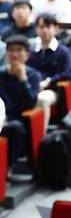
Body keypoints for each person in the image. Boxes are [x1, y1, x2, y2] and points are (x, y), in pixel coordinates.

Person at [27, 14, 71, 127]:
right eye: (41, 27)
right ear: (36, 29)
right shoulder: (31, 51)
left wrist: (50, 81)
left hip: (53, 89)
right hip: (32, 86)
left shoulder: (63, 51)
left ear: (56, 29)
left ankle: (40, 136)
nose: (44, 30)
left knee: (42, 99)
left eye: (48, 26)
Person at [0, 35, 40, 172]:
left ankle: (8, 169)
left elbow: (31, 103)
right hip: (1, 118)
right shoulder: (1, 74)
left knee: (16, 128)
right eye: (11, 50)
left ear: (27, 55)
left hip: (20, 120)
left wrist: (23, 79)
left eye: (19, 50)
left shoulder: (33, 76)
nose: (15, 54)